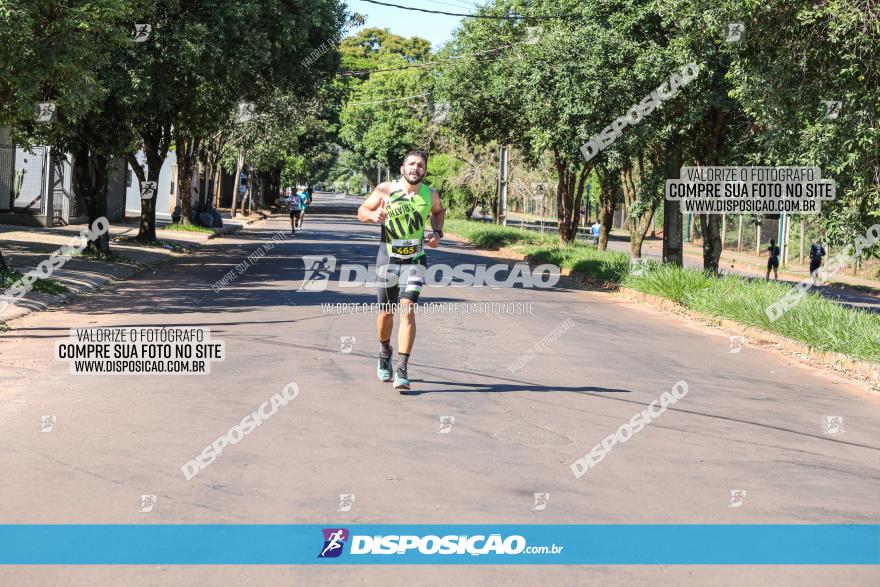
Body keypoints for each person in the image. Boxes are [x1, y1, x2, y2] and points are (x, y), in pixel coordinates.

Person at [357, 150, 445, 393]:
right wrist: (373, 215)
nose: (416, 168)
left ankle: (403, 368)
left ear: (425, 170)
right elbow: (362, 211)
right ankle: (385, 352)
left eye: (420, 165)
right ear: (402, 168)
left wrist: (437, 233)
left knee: (407, 311)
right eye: (411, 164)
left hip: (415, 260)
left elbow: (438, 212)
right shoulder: (386, 189)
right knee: (386, 314)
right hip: (388, 260)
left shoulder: (430, 194)